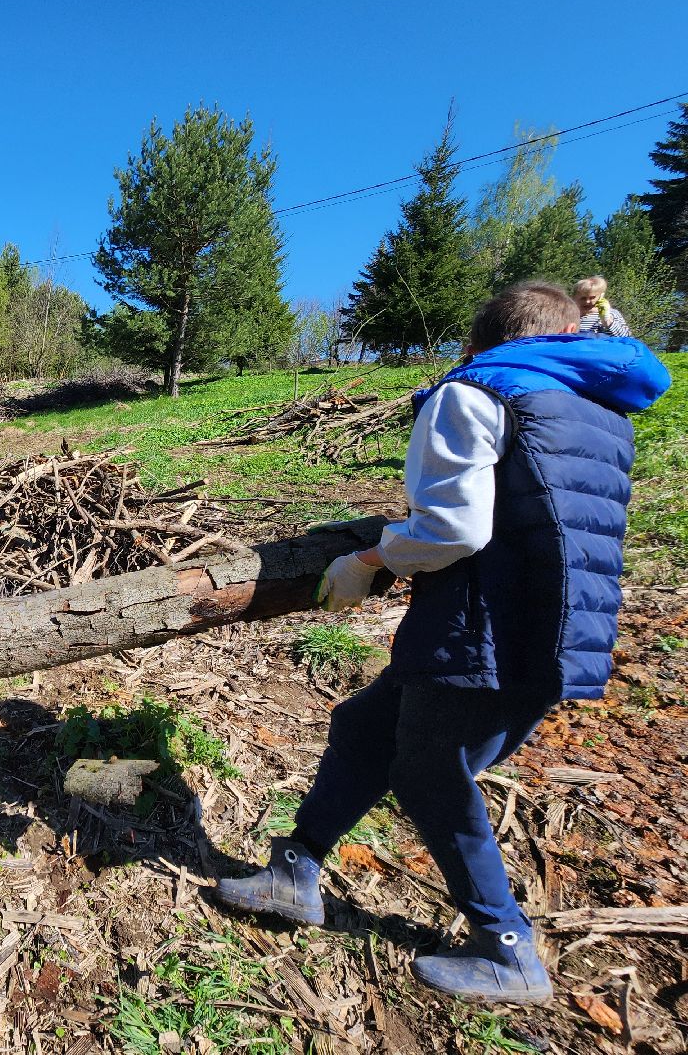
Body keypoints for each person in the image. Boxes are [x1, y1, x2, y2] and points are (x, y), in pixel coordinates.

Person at [214, 282, 670, 1004]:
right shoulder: (600, 410)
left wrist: (367, 562)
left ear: (477, 342)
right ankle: (295, 870)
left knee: (431, 774)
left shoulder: (477, 391)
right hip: (565, 632)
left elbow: (454, 528)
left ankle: (506, 948)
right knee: (364, 728)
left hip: (482, 627)